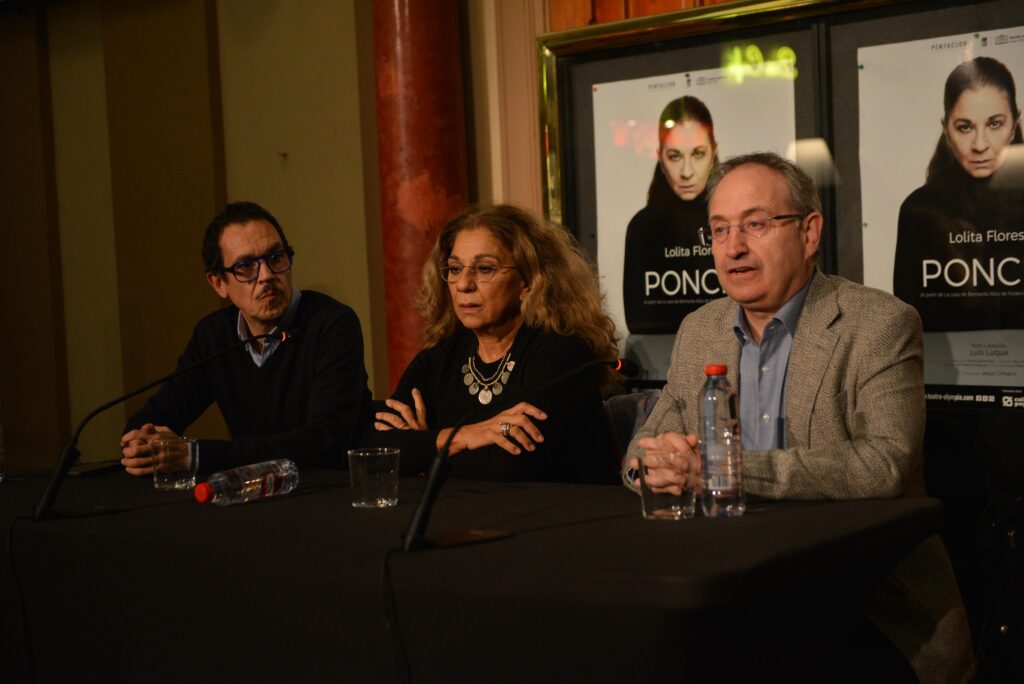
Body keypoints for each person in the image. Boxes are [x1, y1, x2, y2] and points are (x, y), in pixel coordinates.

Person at [624, 152, 973, 683]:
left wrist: (727, 470)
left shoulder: (878, 324)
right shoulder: (700, 329)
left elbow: (884, 467)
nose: (733, 247)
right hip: (731, 587)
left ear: (809, 233)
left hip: (860, 601)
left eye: (756, 225)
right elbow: (643, 448)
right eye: (719, 230)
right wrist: (653, 467)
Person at [368, 204, 620, 482]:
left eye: (484, 268)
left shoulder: (563, 354)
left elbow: (509, 467)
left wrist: (425, 448)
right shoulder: (442, 356)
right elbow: (377, 450)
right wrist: (462, 437)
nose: (463, 284)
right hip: (462, 518)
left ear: (528, 281)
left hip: (564, 518)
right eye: (454, 268)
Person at [120, 201, 372, 474]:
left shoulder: (332, 324)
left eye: (276, 258)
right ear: (218, 283)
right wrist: (140, 442)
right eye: (246, 266)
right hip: (251, 499)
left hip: (326, 497)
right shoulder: (214, 336)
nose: (266, 276)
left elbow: (325, 442)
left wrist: (195, 455)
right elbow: (158, 414)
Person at [894, 56, 1024, 331]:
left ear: (1014, 123)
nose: (980, 145)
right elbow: (908, 325)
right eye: (965, 127)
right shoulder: (919, 211)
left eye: (995, 124)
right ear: (946, 129)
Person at [622, 95, 723, 335]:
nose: (686, 172)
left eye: (698, 154)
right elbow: (639, 326)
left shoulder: (734, 221)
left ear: (713, 153)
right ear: (660, 156)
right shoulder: (642, 227)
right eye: (675, 156)